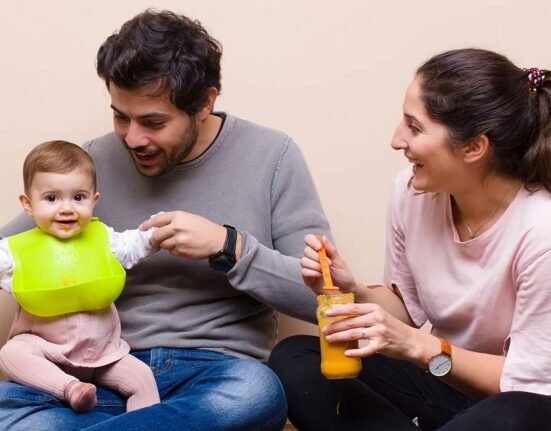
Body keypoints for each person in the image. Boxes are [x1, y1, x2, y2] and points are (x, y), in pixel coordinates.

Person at [0, 9, 330, 431]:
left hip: (211, 376)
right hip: (90, 374)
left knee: (257, 395)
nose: (133, 138)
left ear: (206, 102)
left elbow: (321, 298)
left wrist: (229, 247)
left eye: (153, 122)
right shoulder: (87, 167)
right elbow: (13, 246)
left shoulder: (273, 155)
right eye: (121, 116)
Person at [268, 48, 551, 431]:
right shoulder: (413, 193)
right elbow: (407, 306)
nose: (396, 140)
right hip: (444, 382)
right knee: (295, 358)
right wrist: (350, 288)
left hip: (520, 400)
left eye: (414, 128)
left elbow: (527, 383)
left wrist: (419, 346)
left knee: (510, 414)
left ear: (473, 148)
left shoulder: (540, 232)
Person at [0, 140, 160, 413]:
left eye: (78, 197)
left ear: (94, 200)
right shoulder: (14, 251)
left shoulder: (103, 238)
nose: (66, 208)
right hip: (46, 354)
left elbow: (133, 245)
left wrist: (156, 234)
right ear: (28, 204)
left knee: (143, 379)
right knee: (11, 353)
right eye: (51, 198)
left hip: (103, 355)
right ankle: (69, 389)